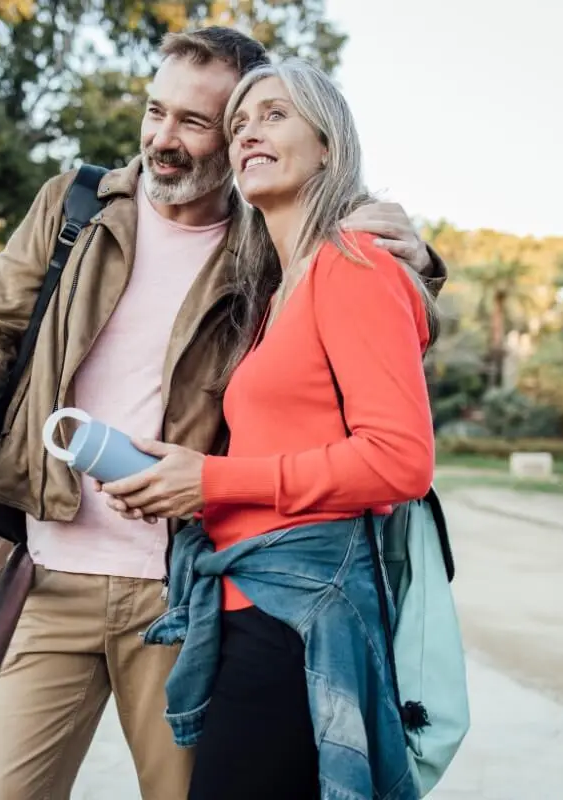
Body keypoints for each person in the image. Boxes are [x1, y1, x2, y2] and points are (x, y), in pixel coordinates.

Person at [0, 28, 447, 800]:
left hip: (184, 590)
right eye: (156, 111)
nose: (164, 138)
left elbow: (381, 325)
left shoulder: (265, 243)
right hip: (51, 576)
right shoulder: (78, 206)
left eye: (197, 122)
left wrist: (422, 259)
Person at [99, 58, 437, 799]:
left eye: (275, 114)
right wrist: (183, 485)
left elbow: (401, 461)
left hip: (300, 617)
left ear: (328, 145)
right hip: (250, 607)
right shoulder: (280, 290)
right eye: (240, 122)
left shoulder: (354, 267)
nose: (250, 130)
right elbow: (282, 446)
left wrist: (213, 479)